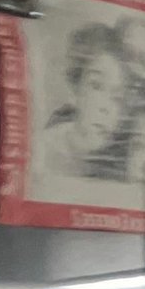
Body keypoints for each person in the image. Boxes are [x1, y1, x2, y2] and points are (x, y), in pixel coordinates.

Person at [38, 23, 135, 184]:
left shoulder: (122, 162)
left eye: (117, 97)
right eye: (96, 86)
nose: (106, 108)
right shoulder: (43, 151)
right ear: (74, 90)